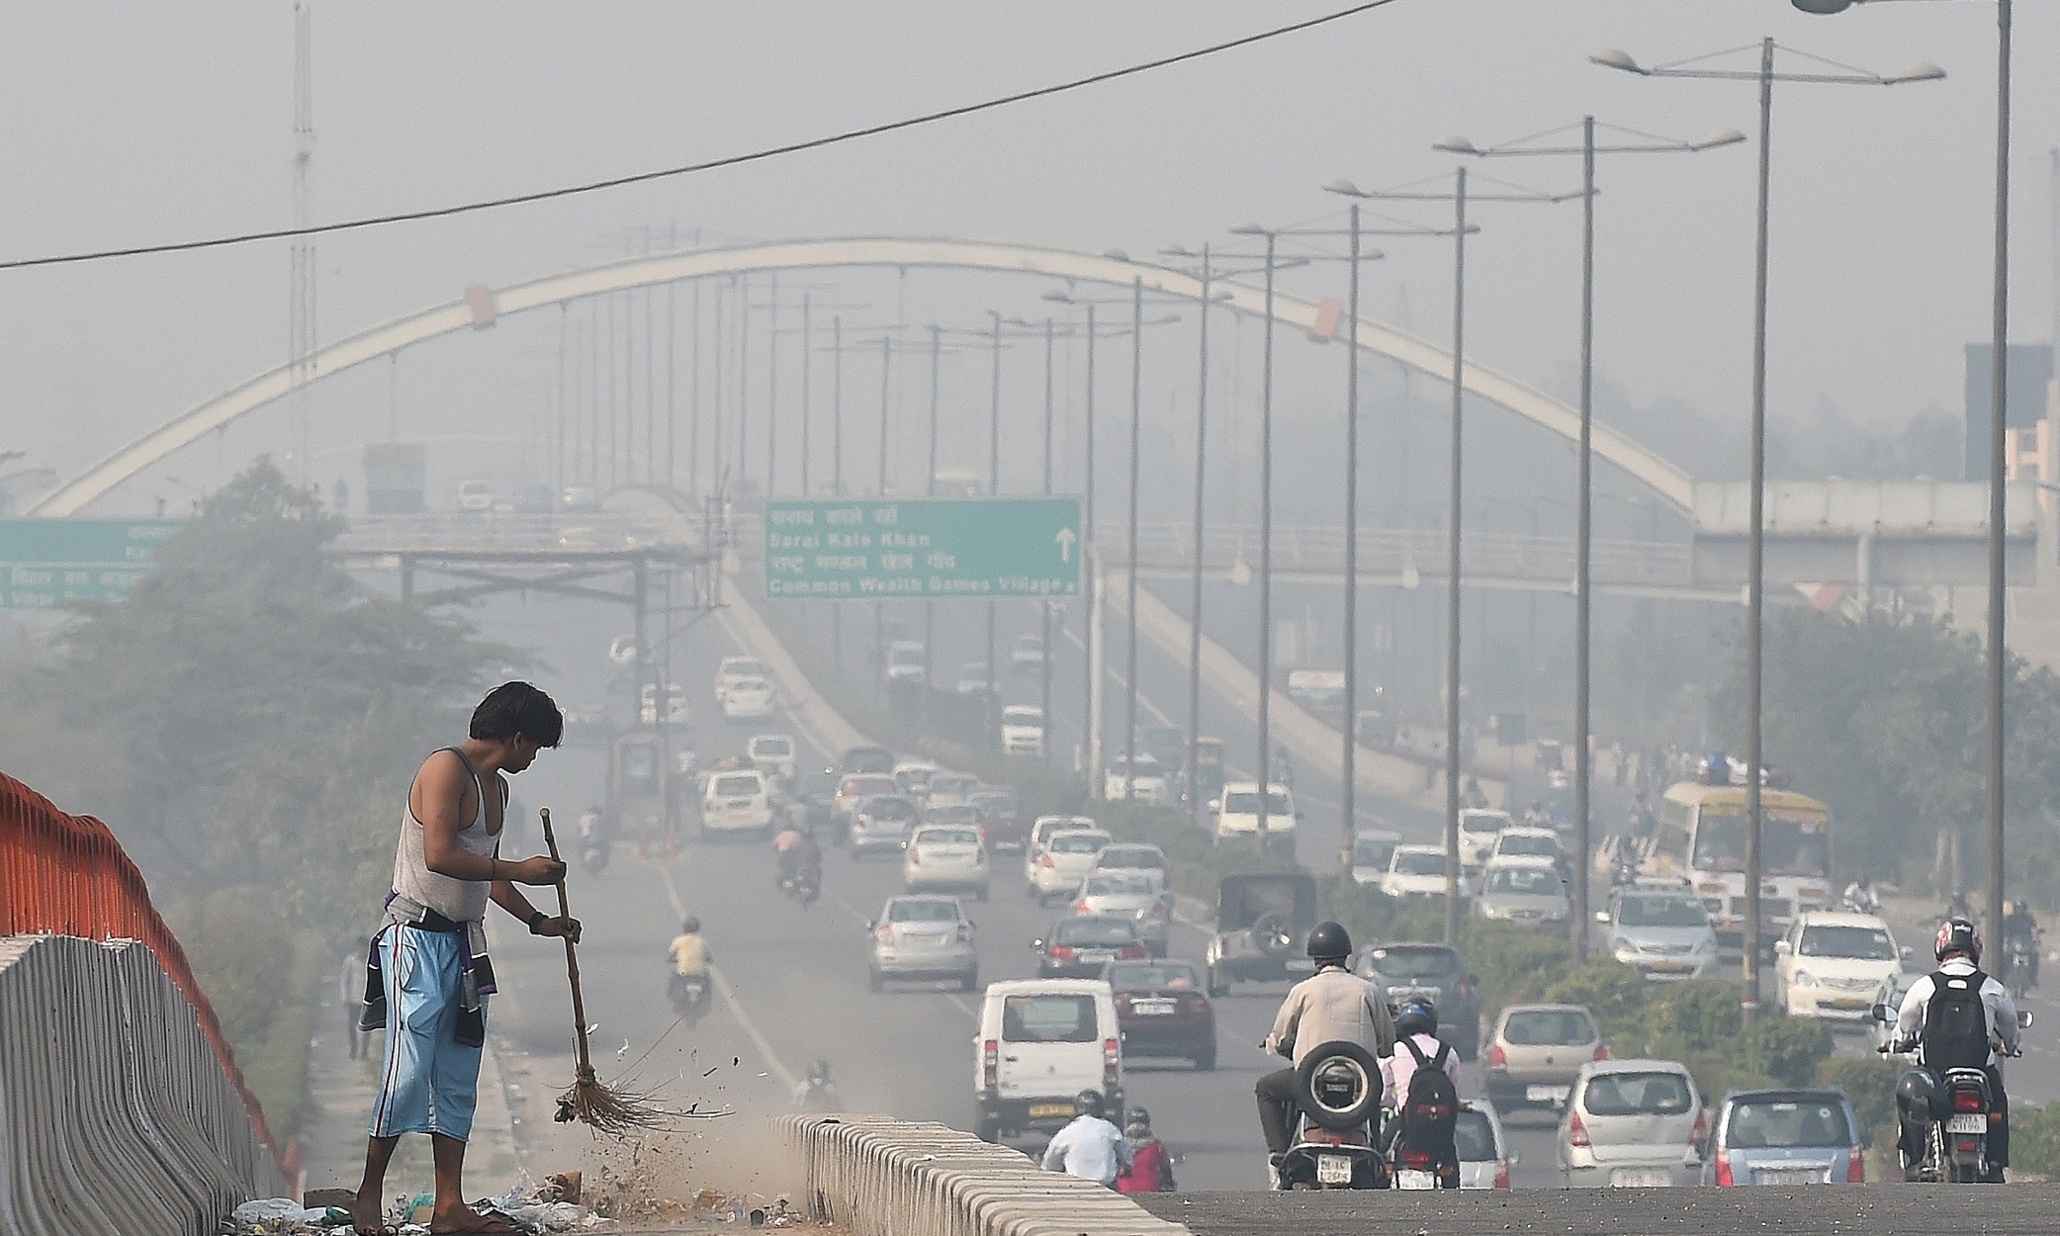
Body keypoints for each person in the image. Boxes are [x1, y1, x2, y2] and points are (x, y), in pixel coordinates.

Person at [353, 682, 579, 1236]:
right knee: (408, 1072)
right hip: (414, 940)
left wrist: (538, 921)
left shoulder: (496, 790)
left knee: (457, 1075)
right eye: (535, 748)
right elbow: (442, 855)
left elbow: (486, 870)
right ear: (517, 738)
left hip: (463, 946)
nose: (533, 759)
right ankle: (367, 1194)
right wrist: (520, 870)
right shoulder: (445, 770)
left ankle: (450, 1207)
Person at [1255, 921, 1396, 1172]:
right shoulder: (1368, 990)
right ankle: (1380, 1151)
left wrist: (1277, 1044)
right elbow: (1387, 1044)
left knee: (1265, 1088)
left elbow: (1281, 1036)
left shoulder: (1303, 991)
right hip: (1360, 1084)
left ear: (1315, 960)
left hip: (1310, 1082)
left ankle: (1278, 1151)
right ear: (1346, 957)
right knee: (1375, 1094)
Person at [1889, 917, 2021, 1183]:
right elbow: (2011, 1028)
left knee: (1910, 1101)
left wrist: (1898, 1041)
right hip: (1980, 1073)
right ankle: (1995, 1162)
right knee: (1998, 1106)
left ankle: (1915, 1160)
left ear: (1941, 947)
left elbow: (1904, 1023)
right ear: (1975, 949)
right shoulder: (1991, 988)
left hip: (1934, 1074)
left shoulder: (1925, 985)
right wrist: (2011, 1045)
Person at [1381, 1000, 1463, 1188]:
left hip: (1405, 1124)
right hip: (1440, 1129)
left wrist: (1395, 1102)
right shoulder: (1448, 1052)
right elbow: (1454, 1098)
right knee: (1450, 1160)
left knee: (1381, 1153)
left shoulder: (1394, 1050)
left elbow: (1383, 1095)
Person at [1041, 1089, 1130, 1186]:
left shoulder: (1067, 1131)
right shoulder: (1110, 1129)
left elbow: (1049, 1163)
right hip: (1106, 1186)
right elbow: (1126, 1157)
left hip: (1076, 1187)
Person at [1114, 1106, 1176, 1194]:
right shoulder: (1157, 1146)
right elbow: (1166, 1170)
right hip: (1150, 1189)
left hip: (1124, 1189)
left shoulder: (1119, 1145)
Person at [668, 916, 712, 1012]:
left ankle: (671, 997)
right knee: (708, 982)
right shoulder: (702, 941)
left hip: (683, 972)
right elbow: (708, 957)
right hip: (699, 973)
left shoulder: (679, 940)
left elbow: (671, 954)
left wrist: (671, 959)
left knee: (672, 978)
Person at [340, 936, 372, 1060]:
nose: (362, 950)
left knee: (366, 1027)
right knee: (351, 1026)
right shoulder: (350, 961)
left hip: (367, 999)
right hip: (354, 999)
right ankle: (353, 1048)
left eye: (364, 947)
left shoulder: (371, 961)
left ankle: (364, 1051)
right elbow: (345, 979)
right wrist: (345, 997)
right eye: (360, 947)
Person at [2001, 900, 2040, 989]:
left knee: (2034, 956)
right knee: (2006, 958)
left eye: (2021, 908)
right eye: (2018, 908)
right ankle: (2004, 977)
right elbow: (2005, 932)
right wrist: (2006, 942)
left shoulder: (2028, 918)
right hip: (2013, 942)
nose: (2020, 910)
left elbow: (2034, 929)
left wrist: (2036, 939)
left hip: (2026, 942)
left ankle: (2032, 978)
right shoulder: (2010, 919)